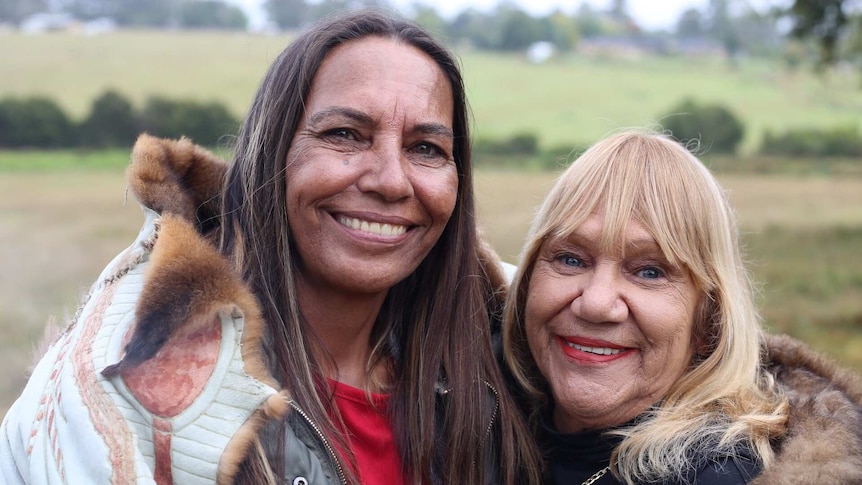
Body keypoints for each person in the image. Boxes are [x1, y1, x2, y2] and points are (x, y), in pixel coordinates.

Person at [0, 10, 541, 485]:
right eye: (345, 135)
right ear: (271, 153)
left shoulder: (504, 357)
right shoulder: (135, 380)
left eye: (426, 148)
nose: (391, 181)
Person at [501, 130, 862, 484]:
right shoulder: (484, 414)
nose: (595, 304)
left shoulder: (718, 475)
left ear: (708, 321)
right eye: (570, 259)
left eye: (649, 271)